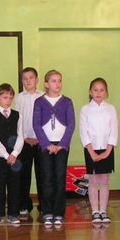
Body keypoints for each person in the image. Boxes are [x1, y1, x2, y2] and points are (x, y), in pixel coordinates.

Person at [32, 69, 75, 227]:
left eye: (59, 80)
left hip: (62, 146)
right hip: (45, 146)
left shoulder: (67, 102)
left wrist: (62, 144)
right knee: (47, 178)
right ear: (46, 84)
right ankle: (47, 211)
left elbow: (71, 125)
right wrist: (46, 144)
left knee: (60, 178)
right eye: (54, 81)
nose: (57, 84)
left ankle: (59, 212)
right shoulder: (39, 102)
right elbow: (36, 124)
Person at [80, 77, 118, 225]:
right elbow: (83, 132)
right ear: (90, 92)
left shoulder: (110, 109)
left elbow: (114, 131)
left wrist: (108, 151)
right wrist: (92, 152)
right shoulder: (85, 109)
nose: (98, 93)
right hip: (91, 149)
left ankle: (103, 211)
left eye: (102, 90)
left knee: (104, 181)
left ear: (106, 92)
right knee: (93, 181)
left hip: (107, 149)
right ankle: (95, 211)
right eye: (95, 90)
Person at [0, 82, 25, 226]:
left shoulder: (17, 115)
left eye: (10, 97)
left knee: (15, 184)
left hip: (15, 157)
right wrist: (5, 155)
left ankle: (13, 214)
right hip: (0, 156)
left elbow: (21, 136)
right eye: (5, 97)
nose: (8, 100)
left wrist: (14, 153)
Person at [15, 66, 44, 216]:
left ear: (37, 79)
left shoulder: (44, 96)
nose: (28, 81)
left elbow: (46, 120)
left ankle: (44, 205)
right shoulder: (19, 98)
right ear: (22, 81)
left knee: (43, 174)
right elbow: (18, 120)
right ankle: (24, 205)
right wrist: (25, 137)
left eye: (31, 78)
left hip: (41, 142)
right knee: (24, 174)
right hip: (25, 141)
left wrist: (40, 137)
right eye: (25, 79)